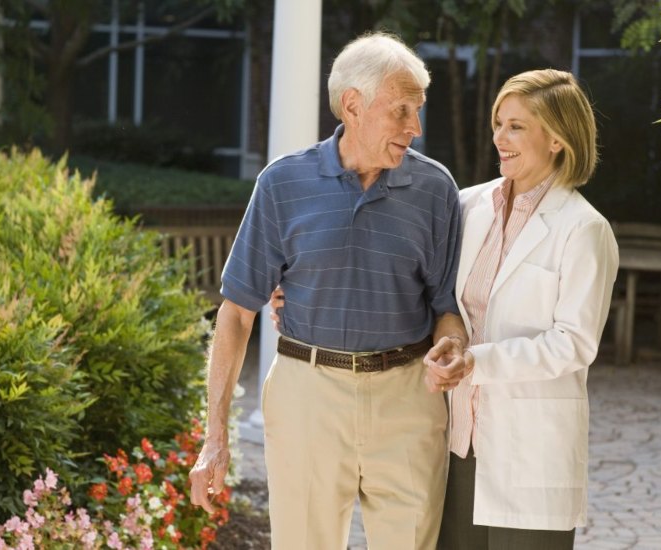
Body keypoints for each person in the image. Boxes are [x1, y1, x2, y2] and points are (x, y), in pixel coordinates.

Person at [189, 31, 469, 549]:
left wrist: (453, 343)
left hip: (407, 398)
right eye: (402, 110)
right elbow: (236, 313)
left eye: (418, 110)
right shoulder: (282, 183)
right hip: (307, 395)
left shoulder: (436, 190)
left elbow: (445, 306)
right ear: (353, 105)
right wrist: (215, 437)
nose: (416, 127)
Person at [423, 69, 619, 548]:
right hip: (459, 443)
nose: (499, 138)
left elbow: (574, 343)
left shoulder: (583, 228)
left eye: (516, 126)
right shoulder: (468, 206)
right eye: (498, 123)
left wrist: (477, 361)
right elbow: (427, 289)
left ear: (556, 138)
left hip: (532, 451)